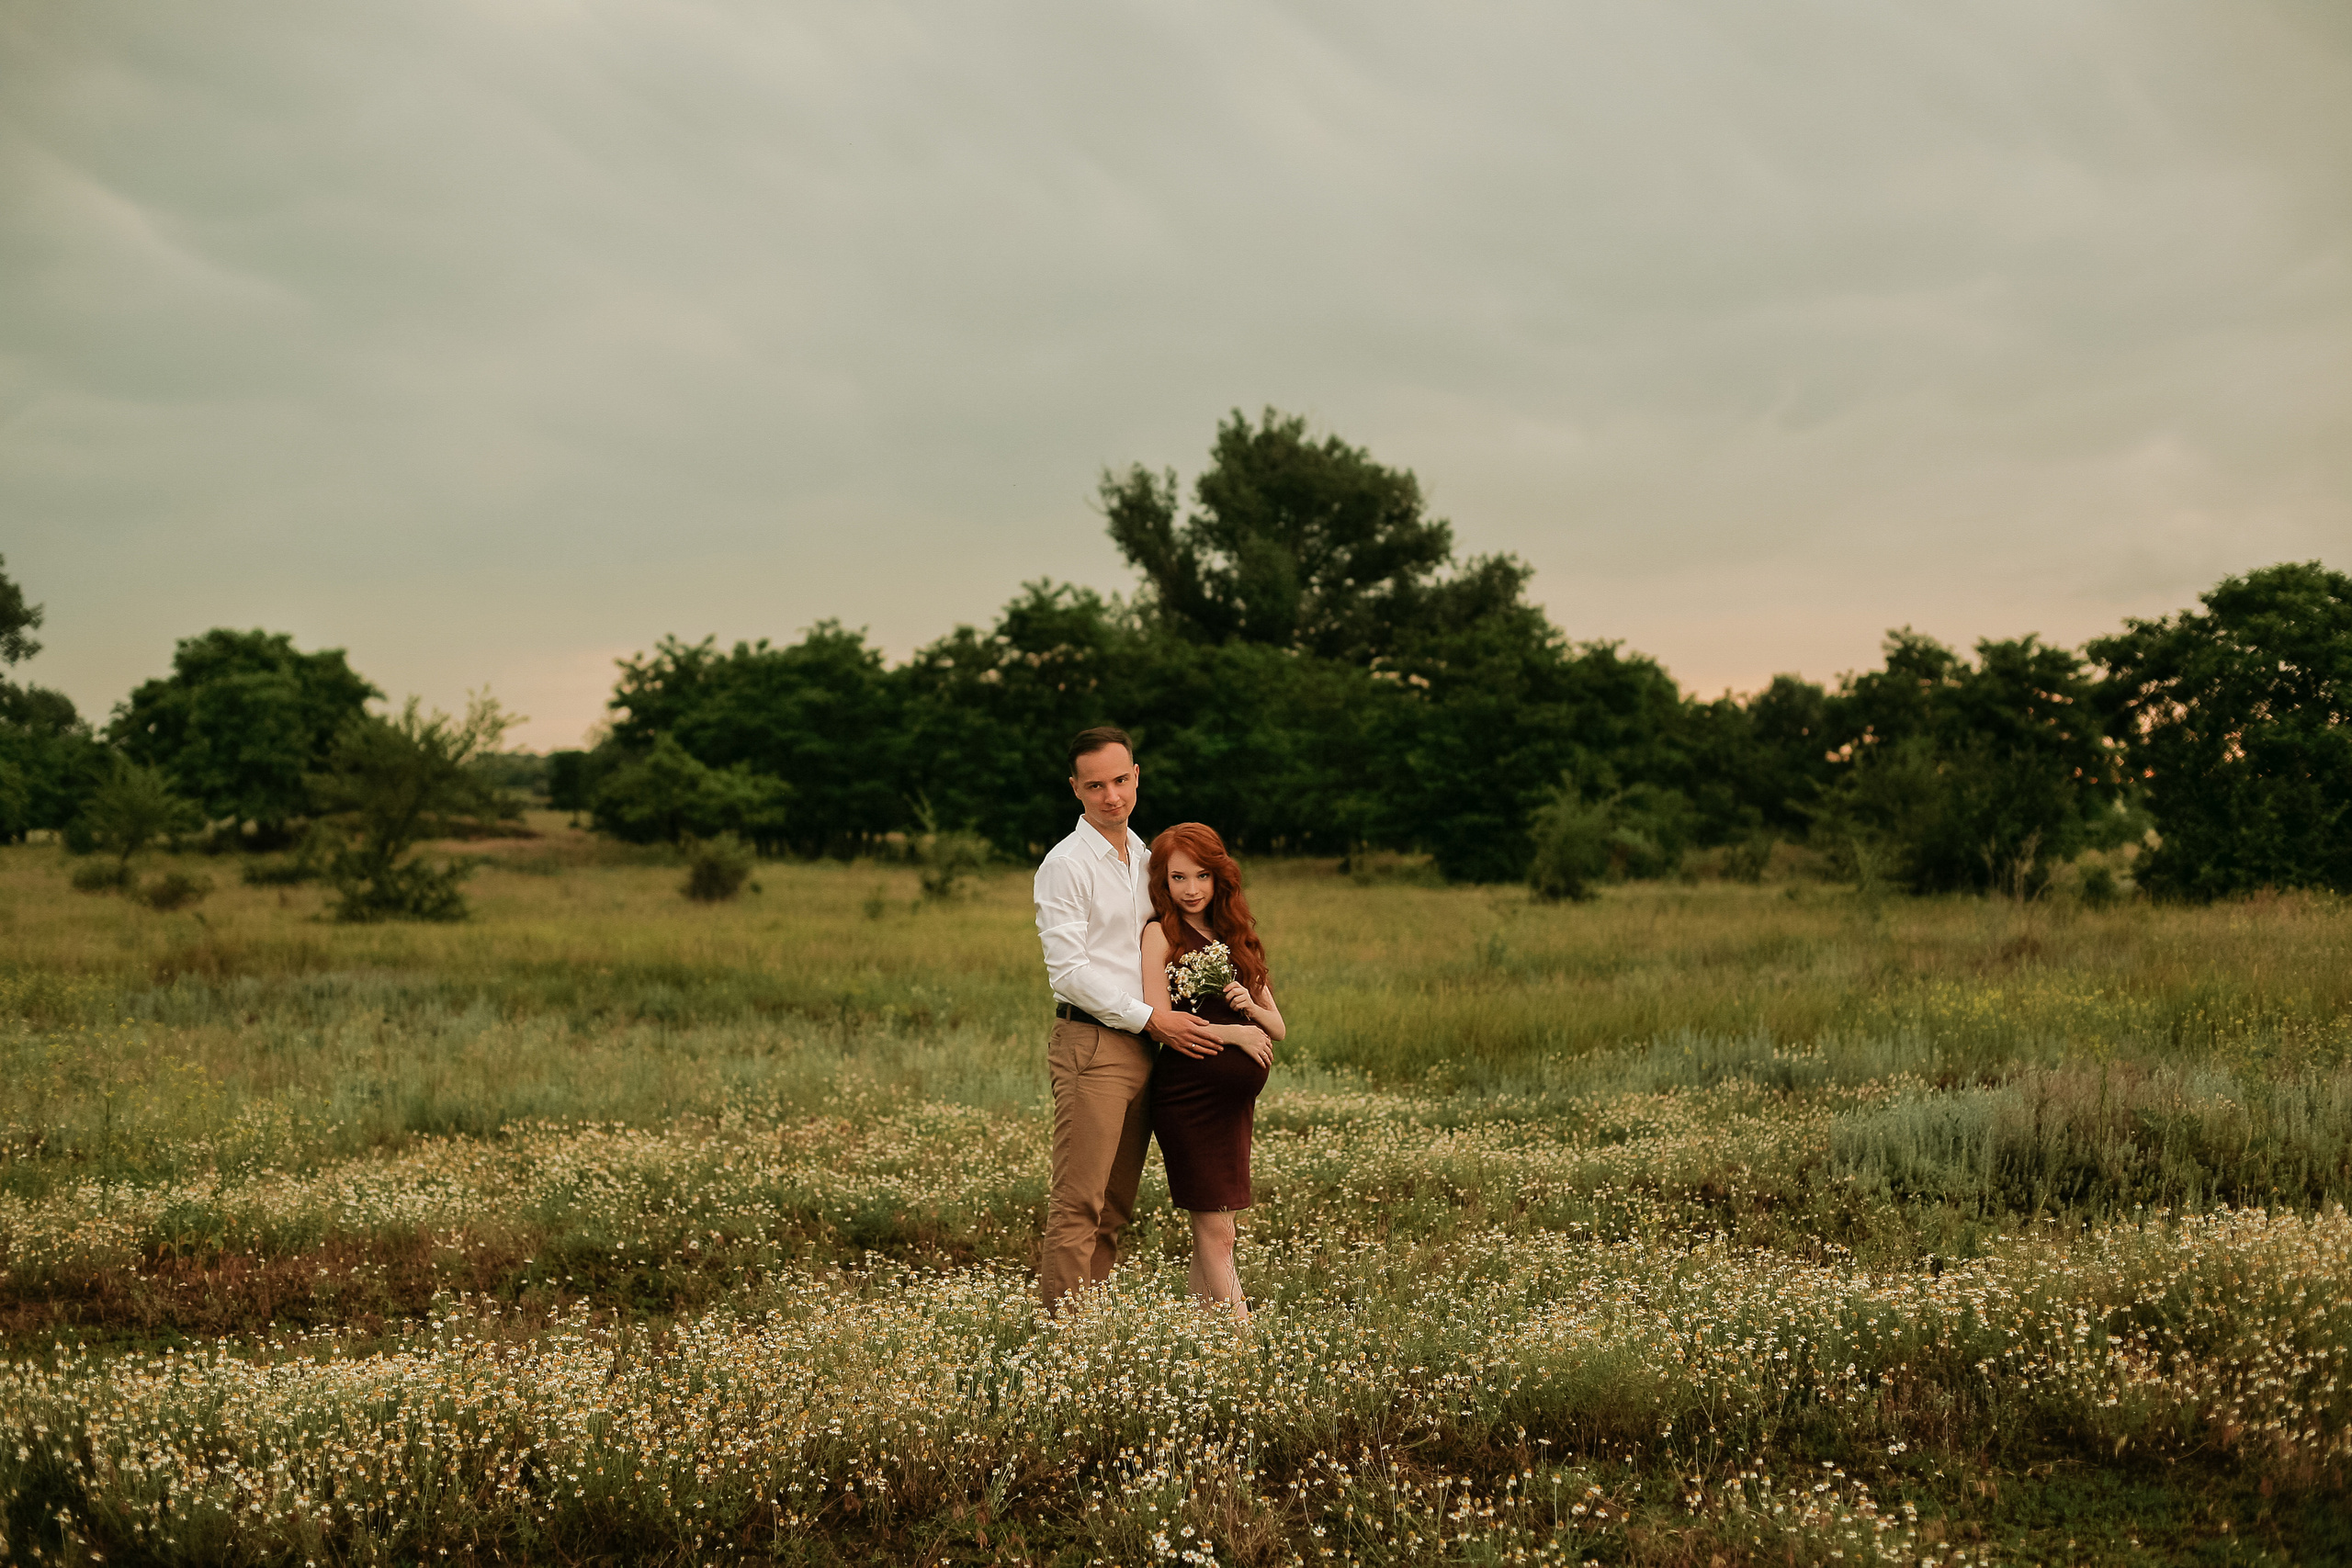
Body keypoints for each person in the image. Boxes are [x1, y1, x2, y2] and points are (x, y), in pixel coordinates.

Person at [1032, 727, 1224, 1310]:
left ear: (1136, 776)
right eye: (1095, 785)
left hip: (1146, 1045)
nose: (1111, 795)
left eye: (1120, 780)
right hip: (1094, 1042)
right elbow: (1068, 973)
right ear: (1076, 790)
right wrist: (1151, 1019)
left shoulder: (1147, 858)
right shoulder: (1065, 865)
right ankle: (1059, 1343)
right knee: (1079, 1201)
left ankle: (1086, 1327)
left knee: (1115, 1205)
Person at [1140, 822, 1285, 1321]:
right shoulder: (1160, 934)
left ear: (1219, 877)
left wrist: (1251, 1008)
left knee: (1219, 1230)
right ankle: (1242, 1349)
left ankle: (1204, 1336)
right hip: (1188, 1099)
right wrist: (1237, 1034)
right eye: (1179, 878)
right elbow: (1161, 1020)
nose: (1191, 889)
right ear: (1163, 881)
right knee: (1218, 1231)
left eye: (1202, 875)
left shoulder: (1233, 936)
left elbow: (1279, 1026)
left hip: (1232, 1106)